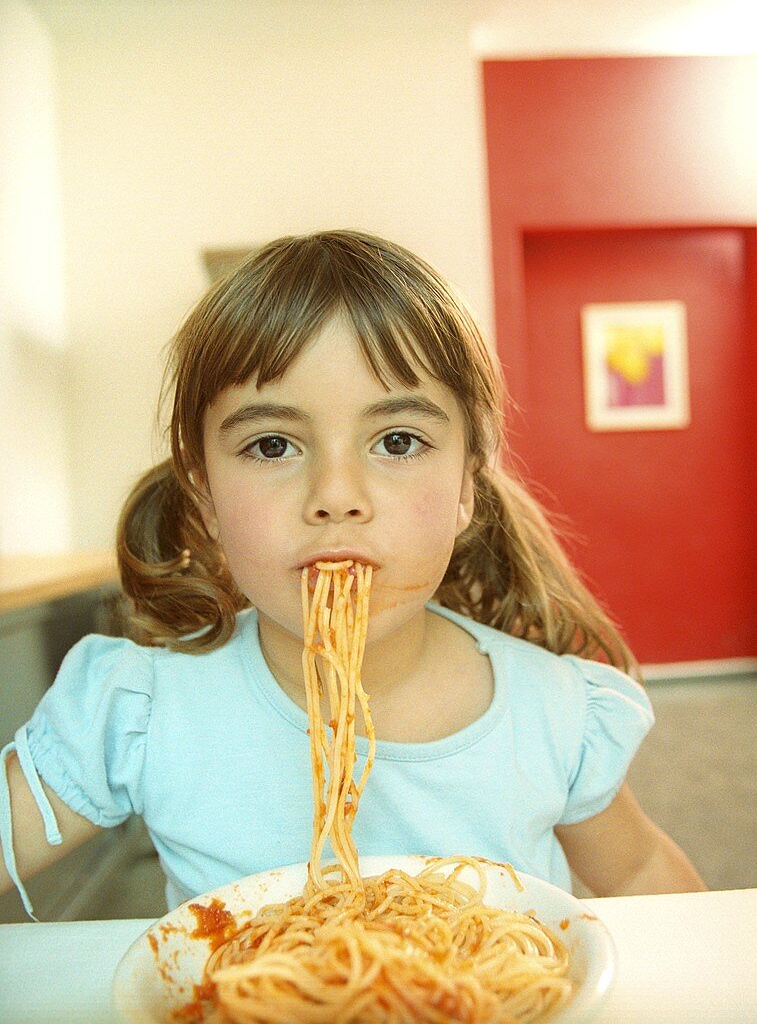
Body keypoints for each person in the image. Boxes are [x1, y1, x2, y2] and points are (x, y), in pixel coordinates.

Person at [0, 230, 705, 919]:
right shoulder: (139, 713)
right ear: (203, 493)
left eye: (397, 441)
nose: (335, 493)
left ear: (466, 486)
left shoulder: (551, 711)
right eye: (271, 444)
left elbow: (639, 870)